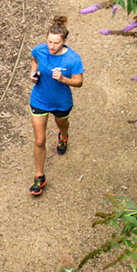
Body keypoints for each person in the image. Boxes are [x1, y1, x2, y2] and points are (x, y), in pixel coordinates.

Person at [28, 14, 84, 198]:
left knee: (62, 123)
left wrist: (64, 79)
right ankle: (39, 176)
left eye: (56, 43)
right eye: (49, 42)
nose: (51, 46)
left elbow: (79, 82)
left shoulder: (73, 59)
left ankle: (64, 136)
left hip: (61, 102)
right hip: (40, 100)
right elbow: (34, 61)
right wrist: (33, 74)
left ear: (64, 41)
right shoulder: (39, 50)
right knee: (39, 140)